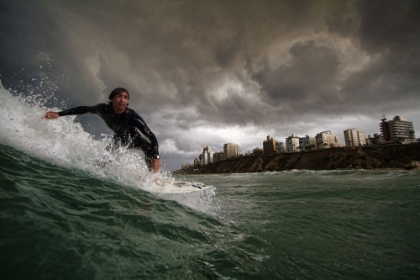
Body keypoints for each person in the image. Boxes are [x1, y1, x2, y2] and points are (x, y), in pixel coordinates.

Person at [44, 87, 161, 173]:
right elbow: (84, 109)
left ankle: (152, 179)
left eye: (125, 97)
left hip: (135, 140)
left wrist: (156, 157)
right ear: (111, 99)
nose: (122, 100)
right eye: (119, 96)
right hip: (120, 140)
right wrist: (59, 114)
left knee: (150, 151)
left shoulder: (132, 116)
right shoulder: (103, 109)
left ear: (128, 102)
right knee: (103, 160)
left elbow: (150, 135)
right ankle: (95, 172)